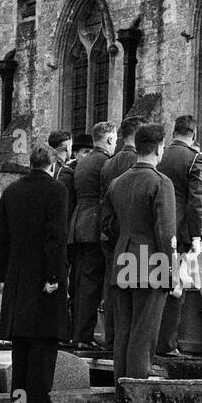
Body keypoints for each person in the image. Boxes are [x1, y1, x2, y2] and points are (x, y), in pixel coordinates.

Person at [101, 124, 176, 403]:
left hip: (123, 260)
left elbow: (106, 227)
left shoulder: (117, 182)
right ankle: (137, 395)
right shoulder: (161, 182)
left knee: (125, 330)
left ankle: (122, 394)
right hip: (152, 262)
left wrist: (120, 250)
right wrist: (171, 270)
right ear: (159, 148)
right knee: (144, 332)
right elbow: (165, 232)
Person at [0, 147, 70, 403]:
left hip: (17, 275)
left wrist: (5, 273)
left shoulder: (11, 191)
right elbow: (56, 236)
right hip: (43, 273)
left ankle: (20, 400)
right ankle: (38, 399)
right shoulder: (56, 190)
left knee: (21, 341)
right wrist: (54, 274)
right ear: (52, 164)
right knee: (44, 339)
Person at [155, 114, 202, 357]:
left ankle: (154, 340)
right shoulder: (195, 159)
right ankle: (168, 344)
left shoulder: (159, 155)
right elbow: (197, 202)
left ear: (174, 131)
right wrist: (197, 236)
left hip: (156, 227)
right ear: (194, 134)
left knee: (155, 283)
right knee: (177, 285)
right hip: (181, 231)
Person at [67, 121, 117, 348]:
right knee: (91, 284)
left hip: (78, 225)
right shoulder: (106, 163)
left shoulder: (83, 163)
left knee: (80, 283)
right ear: (109, 140)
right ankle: (83, 337)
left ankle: (78, 334)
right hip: (95, 226)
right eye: (114, 140)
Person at [99, 115, 145, 347]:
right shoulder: (137, 161)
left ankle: (112, 337)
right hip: (131, 233)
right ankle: (128, 341)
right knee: (133, 292)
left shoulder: (109, 162)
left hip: (110, 233)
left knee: (112, 286)